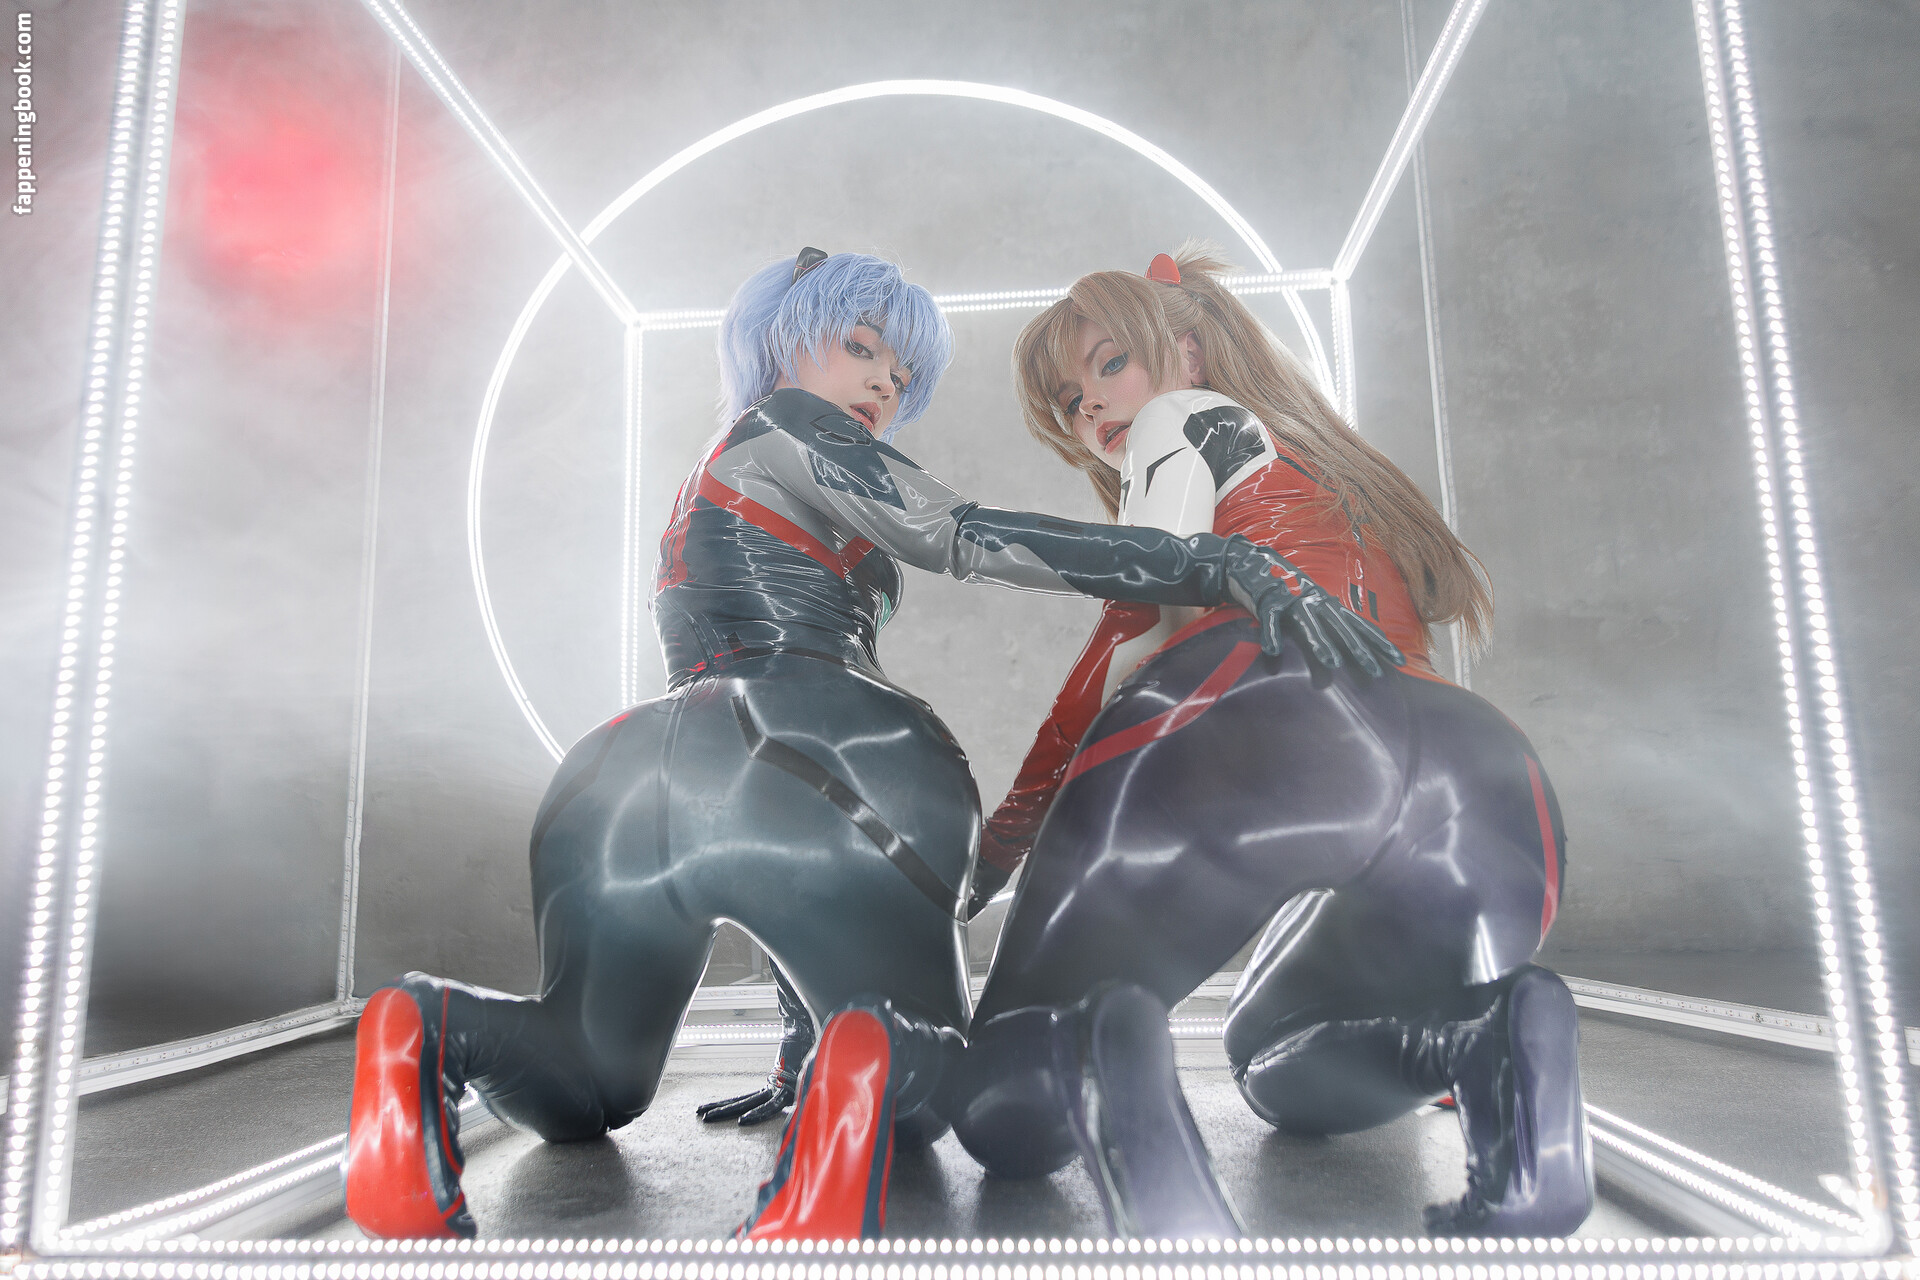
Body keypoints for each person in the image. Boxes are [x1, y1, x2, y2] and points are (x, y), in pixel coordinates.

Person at [341, 248, 1397, 1241]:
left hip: (624, 776)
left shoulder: (715, 468)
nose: (885, 383)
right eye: (861, 347)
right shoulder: (792, 423)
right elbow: (960, 534)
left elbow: (757, 826)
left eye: (899, 373)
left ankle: (426, 1029)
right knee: (921, 1094)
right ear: (781, 338)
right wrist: (1209, 563)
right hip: (832, 747)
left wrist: (798, 1037)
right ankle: (854, 1063)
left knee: (586, 1079)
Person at [948, 246, 1592, 1239]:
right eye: (1071, 402)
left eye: (1110, 364)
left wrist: (1009, 832)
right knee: (1275, 1054)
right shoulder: (1337, 471)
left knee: (1007, 1107)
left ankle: (1114, 1048)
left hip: (1255, 718)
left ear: (1189, 352)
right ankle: (1488, 1038)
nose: (1093, 407)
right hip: (1482, 778)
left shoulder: (1178, 421)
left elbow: (1143, 600)